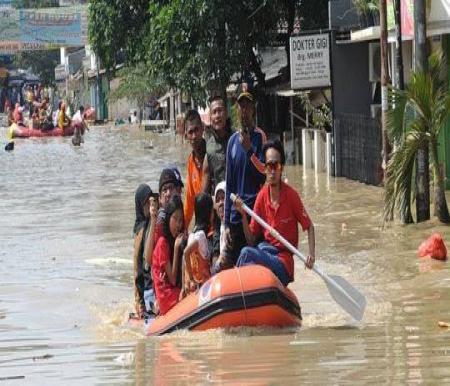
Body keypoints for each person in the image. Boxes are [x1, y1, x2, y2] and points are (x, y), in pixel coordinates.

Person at [234, 140, 316, 286]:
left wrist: (311, 255)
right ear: (264, 169)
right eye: (268, 166)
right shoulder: (261, 197)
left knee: (247, 253)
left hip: (283, 262)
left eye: (275, 165)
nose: (272, 170)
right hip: (265, 252)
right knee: (248, 251)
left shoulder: (292, 196)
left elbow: (309, 227)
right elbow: (251, 240)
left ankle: (237, 284)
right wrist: (243, 215)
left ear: (281, 168)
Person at [218, 91, 267, 272]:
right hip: (236, 216)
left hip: (254, 213)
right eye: (241, 106)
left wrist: (249, 151)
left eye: (247, 106)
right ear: (237, 110)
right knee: (227, 266)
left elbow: (264, 173)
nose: (244, 110)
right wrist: (227, 224)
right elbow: (229, 182)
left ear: (253, 110)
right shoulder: (232, 141)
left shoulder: (260, 137)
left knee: (252, 265)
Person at [143, 167, 184, 273]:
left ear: (178, 191)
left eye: (171, 188)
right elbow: (148, 259)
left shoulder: (181, 214)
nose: (168, 193)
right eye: (164, 190)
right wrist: (153, 220)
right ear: (160, 198)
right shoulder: (159, 221)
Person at [152, 195, 184, 315]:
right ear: (168, 218)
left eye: (180, 220)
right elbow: (173, 280)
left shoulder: (174, 239)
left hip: (172, 290)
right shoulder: (162, 243)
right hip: (166, 296)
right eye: (175, 218)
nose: (178, 224)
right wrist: (176, 249)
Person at [132, 184, 158, 319]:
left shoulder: (151, 222)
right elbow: (137, 268)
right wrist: (139, 302)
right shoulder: (141, 230)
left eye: (151, 200)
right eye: (146, 203)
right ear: (140, 207)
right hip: (147, 288)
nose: (150, 205)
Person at [182, 193, 214, 296]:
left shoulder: (192, 235)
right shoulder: (200, 236)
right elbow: (186, 252)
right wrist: (191, 279)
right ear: (208, 213)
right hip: (203, 284)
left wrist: (187, 281)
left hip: (197, 283)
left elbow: (185, 259)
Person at [202, 95, 234, 195]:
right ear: (210, 117)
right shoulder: (209, 146)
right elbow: (206, 177)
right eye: (214, 112)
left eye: (220, 111)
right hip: (219, 201)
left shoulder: (237, 139)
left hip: (237, 200)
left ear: (226, 113)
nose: (217, 115)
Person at [183, 110, 206, 229]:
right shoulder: (191, 161)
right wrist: (183, 228)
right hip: (200, 224)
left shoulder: (211, 155)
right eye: (190, 132)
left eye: (196, 130)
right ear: (186, 135)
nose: (194, 136)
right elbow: (189, 201)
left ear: (202, 129)